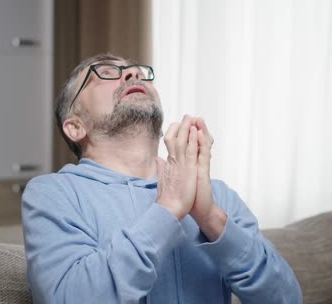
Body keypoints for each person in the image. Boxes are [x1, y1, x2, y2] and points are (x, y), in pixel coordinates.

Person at [22, 54, 302, 304]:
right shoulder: (52, 194)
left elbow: (287, 298)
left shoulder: (217, 196)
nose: (134, 74)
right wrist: (168, 209)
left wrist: (210, 218)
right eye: (107, 72)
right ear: (74, 126)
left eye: (137, 71)